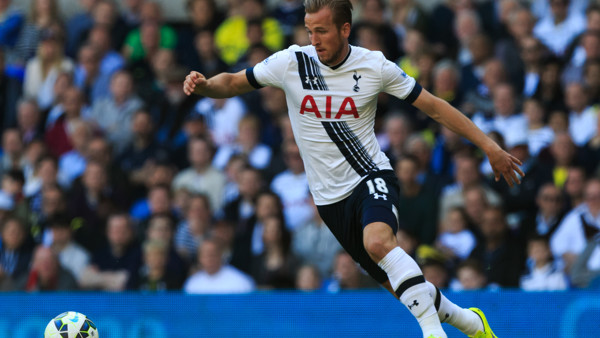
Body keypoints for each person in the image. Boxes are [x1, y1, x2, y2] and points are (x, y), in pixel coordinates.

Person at [183, 1, 523, 337]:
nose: (314, 40)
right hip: (329, 200)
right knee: (402, 288)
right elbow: (232, 82)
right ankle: (470, 323)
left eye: (322, 31)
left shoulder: (374, 66)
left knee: (379, 243)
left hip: (369, 176)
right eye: (309, 31)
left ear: (345, 29)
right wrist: (205, 85)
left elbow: (434, 107)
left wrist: (490, 147)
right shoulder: (291, 62)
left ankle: (433, 334)